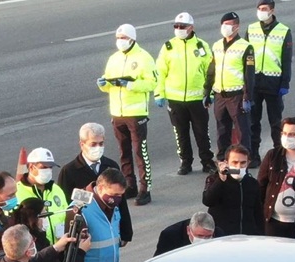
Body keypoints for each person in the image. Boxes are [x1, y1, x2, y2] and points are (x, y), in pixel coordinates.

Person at [98, 24, 157, 205]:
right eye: (118, 38)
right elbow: (108, 84)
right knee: (124, 152)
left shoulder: (143, 58)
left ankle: (145, 189)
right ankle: (129, 185)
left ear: (132, 38)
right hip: (117, 112)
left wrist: (129, 84)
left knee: (140, 152)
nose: (120, 41)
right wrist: (103, 84)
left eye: (123, 38)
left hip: (136, 112)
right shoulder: (114, 59)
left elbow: (152, 83)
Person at [153, 12, 215, 175]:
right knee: (181, 134)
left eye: (182, 26)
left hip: (197, 99)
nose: (178, 29)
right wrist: (159, 94)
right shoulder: (168, 47)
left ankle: (207, 161)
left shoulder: (201, 46)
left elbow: (211, 71)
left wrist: (210, 94)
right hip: (175, 100)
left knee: (202, 133)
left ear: (191, 28)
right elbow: (159, 72)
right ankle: (185, 163)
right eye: (176, 26)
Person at [56, 123, 133, 249]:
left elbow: (121, 200)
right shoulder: (69, 171)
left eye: (101, 143)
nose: (98, 147)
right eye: (93, 144)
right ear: (82, 144)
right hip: (85, 232)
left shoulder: (111, 166)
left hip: (108, 227)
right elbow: (65, 206)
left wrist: (126, 231)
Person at [245, 0, 293, 167]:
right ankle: (253, 156)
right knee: (252, 123)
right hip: (254, 83)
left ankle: (279, 156)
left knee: (275, 124)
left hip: (274, 83)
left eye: (265, 9)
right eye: (259, 9)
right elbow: (246, 58)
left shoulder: (283, 31)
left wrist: (285, 83)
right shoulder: (251, 29)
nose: (261, 12)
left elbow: (287, 59)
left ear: (272, 10)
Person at [205, 12, 256, 162]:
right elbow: (211, 70)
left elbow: (249, 75)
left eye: (229, 25)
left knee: (242, 130)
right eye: (224, 25)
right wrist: (207, 92)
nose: (225, 28)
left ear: (237, 27)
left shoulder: (246, 47)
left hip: (237, 96)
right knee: (222, 130)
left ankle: (244, 160)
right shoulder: (217, 45)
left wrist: (248, 97)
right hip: (220, 95)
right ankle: (222, 159)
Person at [258, 116, 295, 238]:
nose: (287, 137)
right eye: (285, 133)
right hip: (274, 222)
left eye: (292, 134)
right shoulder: (273, 155)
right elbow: (261, 185)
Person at [78, 168, 128, 262]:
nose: (117, 199)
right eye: (114, 195)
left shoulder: (111, 205)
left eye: (120, 195)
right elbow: (75, 258)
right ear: (100, 188)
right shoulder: (81, 210)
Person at [203, 144, 263, 236]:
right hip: (222, 238)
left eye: (243, 163)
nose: (239, 166)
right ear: (226, 163)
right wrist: (221, 180)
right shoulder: (214, 179)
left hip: (247, 237)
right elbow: (208, 200)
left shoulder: (252, 183)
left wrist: (260, 234)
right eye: (235, 162)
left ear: (248, 163)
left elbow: (258, 213)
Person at [16, 147, 68, 244]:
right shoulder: (17, 192)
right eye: (44, 167)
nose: (48, 170)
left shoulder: (57, 190)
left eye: (50, 167)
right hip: (33, 251)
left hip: (59, 248)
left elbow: (66, 215)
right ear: (31, 167)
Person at [154, 211, 223, 256]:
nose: (204, 240)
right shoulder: (170, 236)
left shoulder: (219, 235)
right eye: (200, 236)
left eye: (208, 236)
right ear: (188, 230)